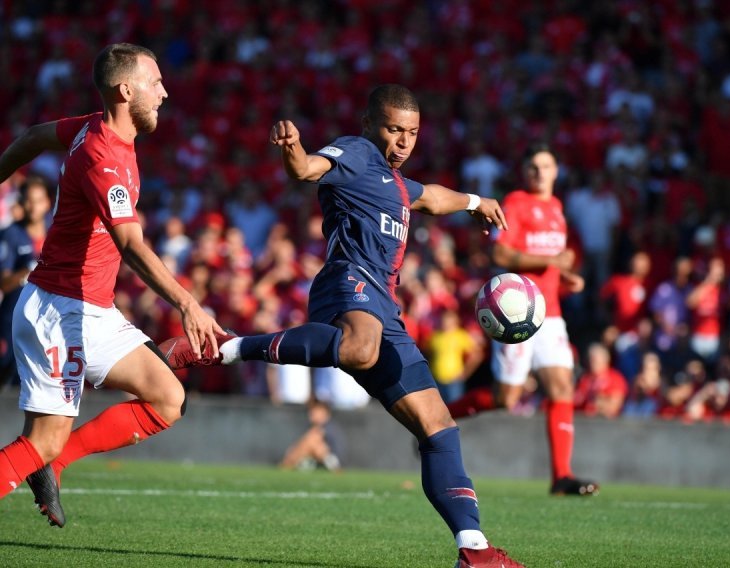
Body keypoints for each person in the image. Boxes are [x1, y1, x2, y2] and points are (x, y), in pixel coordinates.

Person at [160, 84, 525, 567]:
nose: (403, 141)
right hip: (347, 281)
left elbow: (432, 198)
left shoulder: (397, 185)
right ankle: (229, 346)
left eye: (412, 132)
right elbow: (308, 169)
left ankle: (473, 550)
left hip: (384, 308)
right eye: (394, 129)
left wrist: (476, 200)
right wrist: (293, 150)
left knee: (439, 427)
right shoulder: (355, 152)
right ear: (369, 123)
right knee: (358, 348)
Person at [0, 43, 225, 528]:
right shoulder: (104, 156)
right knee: (41, 440)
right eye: (156, 82)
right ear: (127, 90)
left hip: (91, 309)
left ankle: (54, 467)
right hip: (58, 312)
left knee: (168, 398)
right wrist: (188, 302)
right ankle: (47, 458)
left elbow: (37, 135)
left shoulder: (92, 128)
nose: (164, 92)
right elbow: (131, 245)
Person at [446, 143, 600, 497]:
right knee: (506, 398)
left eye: (545, 165)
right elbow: (500, 252)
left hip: (551, 312)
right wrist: (550, 264)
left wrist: (565, 278)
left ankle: (561, 476)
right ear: (524, 172)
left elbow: (551, 261)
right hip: (515, 311)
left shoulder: (558, 209)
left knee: (562, 387)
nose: (539, 172)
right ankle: (439, 418)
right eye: (532, 166)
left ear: (556, 171)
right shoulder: (516, 202)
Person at [0, 176, 51, 387]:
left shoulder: (57, 233)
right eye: (29, 200)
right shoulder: (11, 234)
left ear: (47, 203)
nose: (33, 207)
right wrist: (28, 271)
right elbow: (4, 283)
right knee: (5, 371)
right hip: (13, 319)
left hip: (46, 320)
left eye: (38, 200)